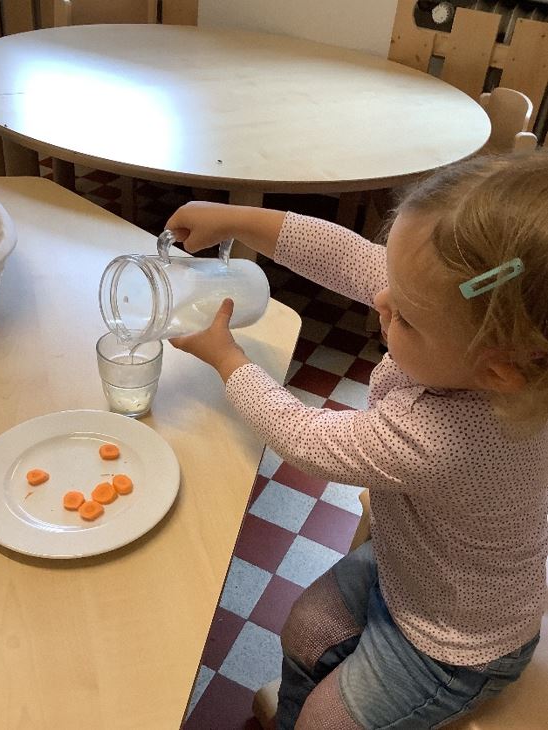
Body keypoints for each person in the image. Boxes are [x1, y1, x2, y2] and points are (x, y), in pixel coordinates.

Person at [165, 151, 548, 729]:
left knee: (327, 720)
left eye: (406, 318)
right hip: (409, 568)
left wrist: (228, 360)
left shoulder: (440, 436)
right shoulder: (459, 318)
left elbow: (304, 438)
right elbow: (348, 257)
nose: (381, 301)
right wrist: (236, 218)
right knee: (304, 630)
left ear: (498, 371)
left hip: (454, 646)